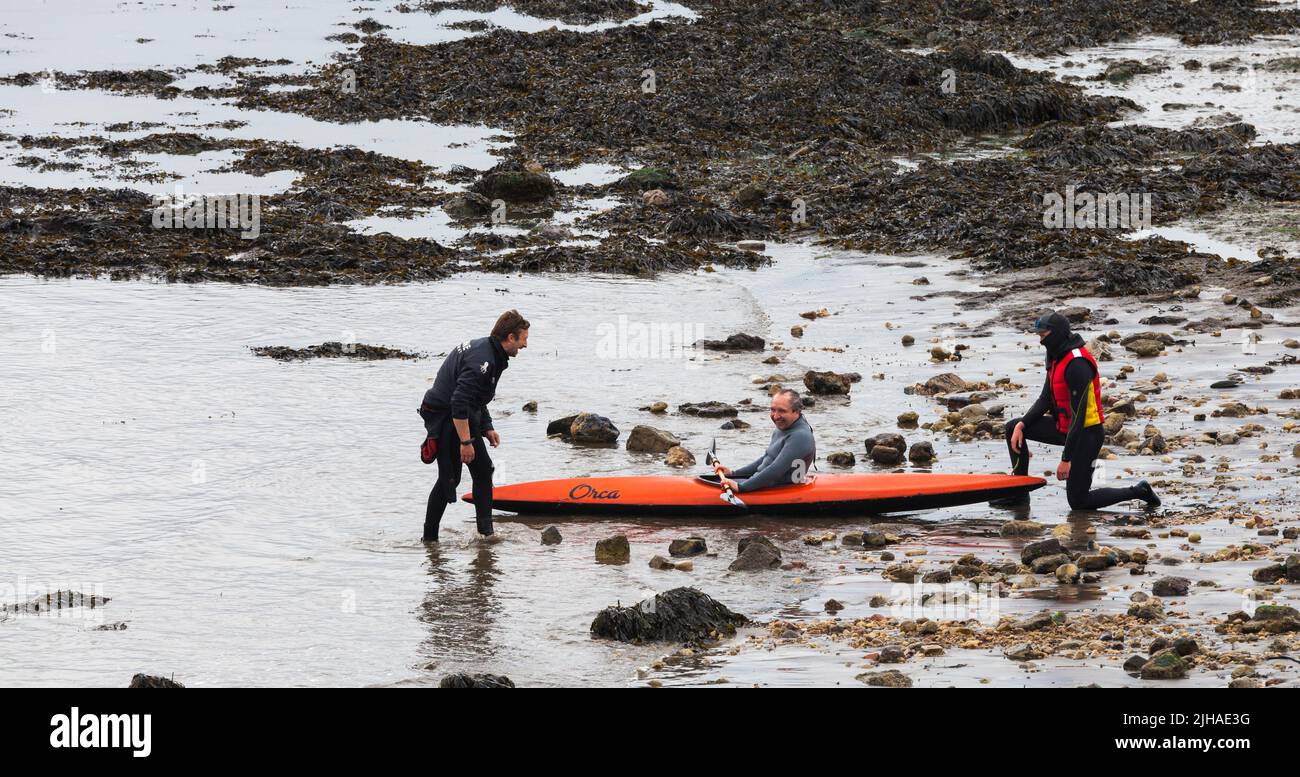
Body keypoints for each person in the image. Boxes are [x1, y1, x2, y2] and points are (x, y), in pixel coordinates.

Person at [990, 310, 1159, 510]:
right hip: (1063, 427)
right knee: (1012, 428)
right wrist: (1022, 424)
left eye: (1043, 336)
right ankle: (1018, 495)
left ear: (1057, 334)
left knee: (1078, 502)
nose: (1040, 341)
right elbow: (1046, 397)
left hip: (1086, 434)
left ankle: (1139, 491)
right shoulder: (1054, 355)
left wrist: (1066, 460)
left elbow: (1079, 418)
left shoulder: (1077, 364)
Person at [419, 310, 529, 542]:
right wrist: (466, 442)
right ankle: (429, 540)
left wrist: (487, 427)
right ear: (510, 337)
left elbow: (475, 397)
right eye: (523, 339)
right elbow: (459, 401)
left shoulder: (491, 353)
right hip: (447, 416)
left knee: (482, 471)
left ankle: (485, 535)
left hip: (460, 414)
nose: (525, 345)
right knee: (450, 479)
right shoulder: (484, 360)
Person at [715, 389, 816, 493]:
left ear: (796, 411)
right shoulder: (784, 427)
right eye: (773, 410)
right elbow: (767, 459)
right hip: (767, 483)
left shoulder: (800, 436)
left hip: (782, 490)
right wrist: (733, 474)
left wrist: (742, 488)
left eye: (782, 411)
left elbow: (776, 470)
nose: (776, 416)